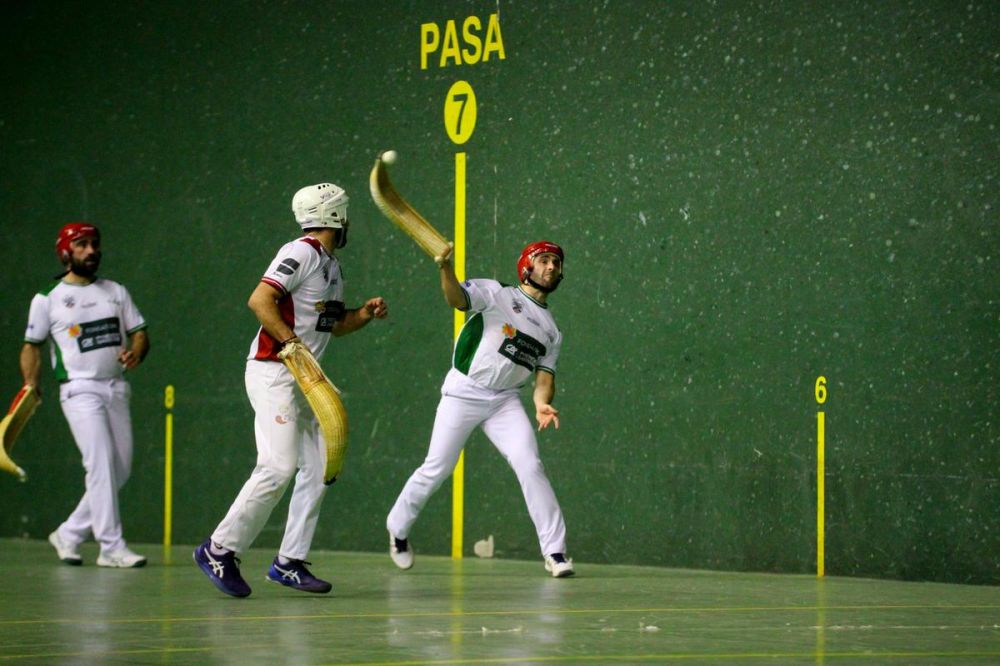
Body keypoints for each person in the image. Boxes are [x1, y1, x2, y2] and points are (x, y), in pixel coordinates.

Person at [194, 182, 388, 598]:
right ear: (335, 216)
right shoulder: (299, 251)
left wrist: (364, 314)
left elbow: (333, 324)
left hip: (305, 377)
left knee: (320, 468)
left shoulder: (331, 266)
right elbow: (260, 301)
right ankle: (218, 550)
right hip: (274, 372)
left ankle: (289, 562)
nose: (349, 220)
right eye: (346, 213)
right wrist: (289, 343)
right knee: (278, 466)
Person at [386, 240, 575, 577]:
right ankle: (398, 530)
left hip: (505, 400)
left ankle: (556, 552)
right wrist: (445, 266)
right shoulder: (497, 293)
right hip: (464, 391)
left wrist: (542, 403)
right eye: (544, 260)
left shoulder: (552, 331)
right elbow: (456, 298)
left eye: (556, 263)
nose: (551, 267)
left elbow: (544, 377)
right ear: (526, 266)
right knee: (438, 467)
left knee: (530, 464)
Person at [22, 222, 150, 568]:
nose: (91, 250)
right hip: (79, 390)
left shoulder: (115, 291)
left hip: (116, 387)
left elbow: (139, 332)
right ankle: (111, 547)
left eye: (94, 244)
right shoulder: (46, 300)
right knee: (99, 465)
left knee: (118, 469)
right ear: (65, 252)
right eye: (81, 244)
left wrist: (136, 352)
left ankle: (69, 533)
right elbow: (31, 347)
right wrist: (30, 384)